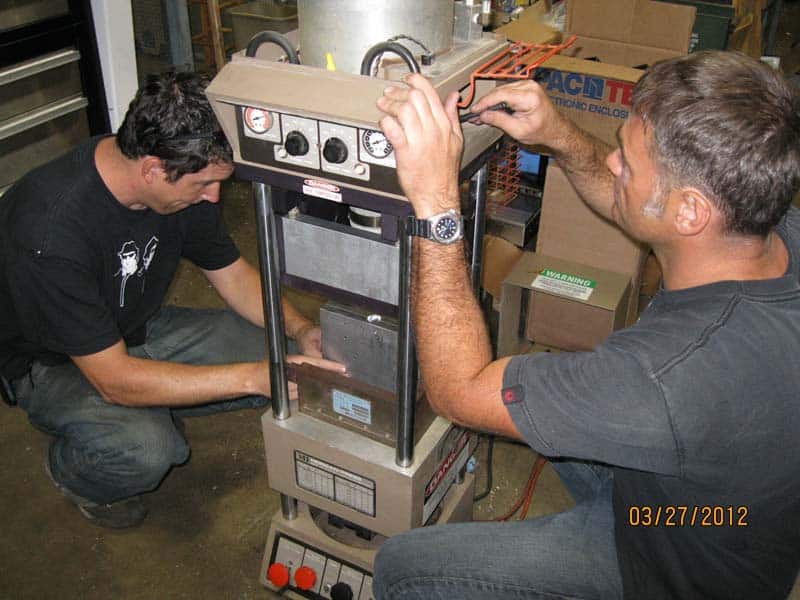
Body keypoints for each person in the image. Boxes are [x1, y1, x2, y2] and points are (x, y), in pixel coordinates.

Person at [372, 50, 800, 599]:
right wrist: (557, 136)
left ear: (690, 212)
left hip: (672, 560)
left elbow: (457, 391)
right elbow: (638, 203)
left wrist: (435, 203)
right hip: (725, 512)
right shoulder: (764, 225)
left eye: (627, 157)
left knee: (403, 567)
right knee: (543, 383)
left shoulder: (665, 378)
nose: (615, 163)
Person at [0, 71, 344, 529]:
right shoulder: (50, 231)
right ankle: (77, 471)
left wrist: (301, 330)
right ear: (153, 170)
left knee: (288, 360)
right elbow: (114, 380)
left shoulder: (180, 174)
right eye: (203, 186)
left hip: (134, 327)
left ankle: (158, 397)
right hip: (53, 363)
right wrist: (252, 378)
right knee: (150, 448)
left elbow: (234, 276)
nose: (214, 197)